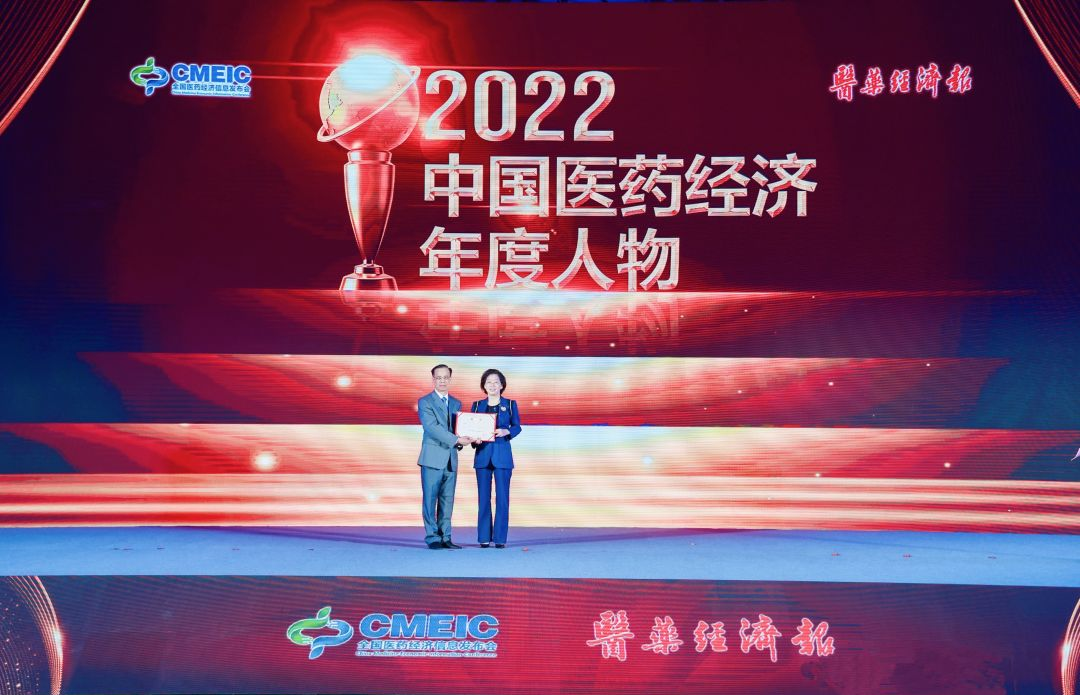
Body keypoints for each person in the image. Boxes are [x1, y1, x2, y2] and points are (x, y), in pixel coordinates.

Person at [417, 364, 473, 549]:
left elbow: (459, 428)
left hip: (451, 458)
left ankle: (446, 536)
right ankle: (432, 537)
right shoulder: (425, 402)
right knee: (430, 499)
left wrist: (471, 437)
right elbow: (431, 428)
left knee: (447, 500)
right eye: (438, 378)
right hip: (432, 458)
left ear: (450, 379)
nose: (442, 381)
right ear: (433, 380)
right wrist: (457, 439)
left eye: (445, 377)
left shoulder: (456, 403)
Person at [470, 368, 522, 549]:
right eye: (488, 382)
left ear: (501, 385)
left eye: (496, 382)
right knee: (483, 498)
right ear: (484, 386)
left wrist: (507, 431)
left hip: (502, 455)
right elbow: (471, 430)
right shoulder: (477, 405)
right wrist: (474, 439)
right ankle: (484, 537)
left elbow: (517, 426)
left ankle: (500, 538)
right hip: (482, 455)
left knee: (502, 498)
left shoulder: (510, 404)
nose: (492, 385)